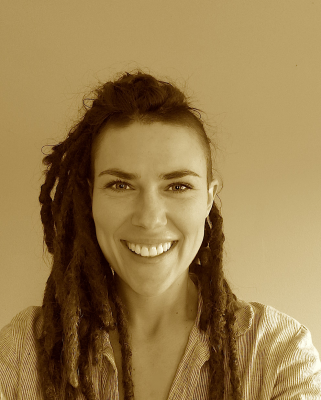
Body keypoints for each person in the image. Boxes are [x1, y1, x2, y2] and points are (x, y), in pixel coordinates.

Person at [0, 70, 320, 400]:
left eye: (178, 186)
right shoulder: (23, 351)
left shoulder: (278, 353)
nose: (149, 219)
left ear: (208, 199)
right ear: (89, 198)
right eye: (120, 185)